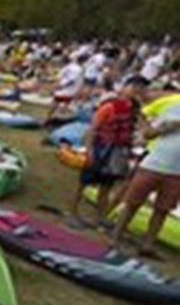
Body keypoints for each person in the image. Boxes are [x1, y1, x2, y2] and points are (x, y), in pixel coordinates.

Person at [74, 75, 146, 227]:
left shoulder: (135, 110)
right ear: (124, 87)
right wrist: (90, 151)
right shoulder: (109, 106)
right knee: (84, 183)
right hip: (102, 148)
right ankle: (73, 212)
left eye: (140, 87)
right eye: (134, 86)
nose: (137, 90)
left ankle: (100, 217)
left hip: (119, 151)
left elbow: (140, 128)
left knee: (107, 185)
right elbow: (92, 129)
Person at [110, 103, 180, 257]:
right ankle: (115, 237)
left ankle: (147, 245)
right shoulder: (172, 108)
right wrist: (167, 127)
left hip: (177, 173)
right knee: (132, 203)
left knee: (162, 210)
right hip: (153, 165)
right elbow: (148, 134)